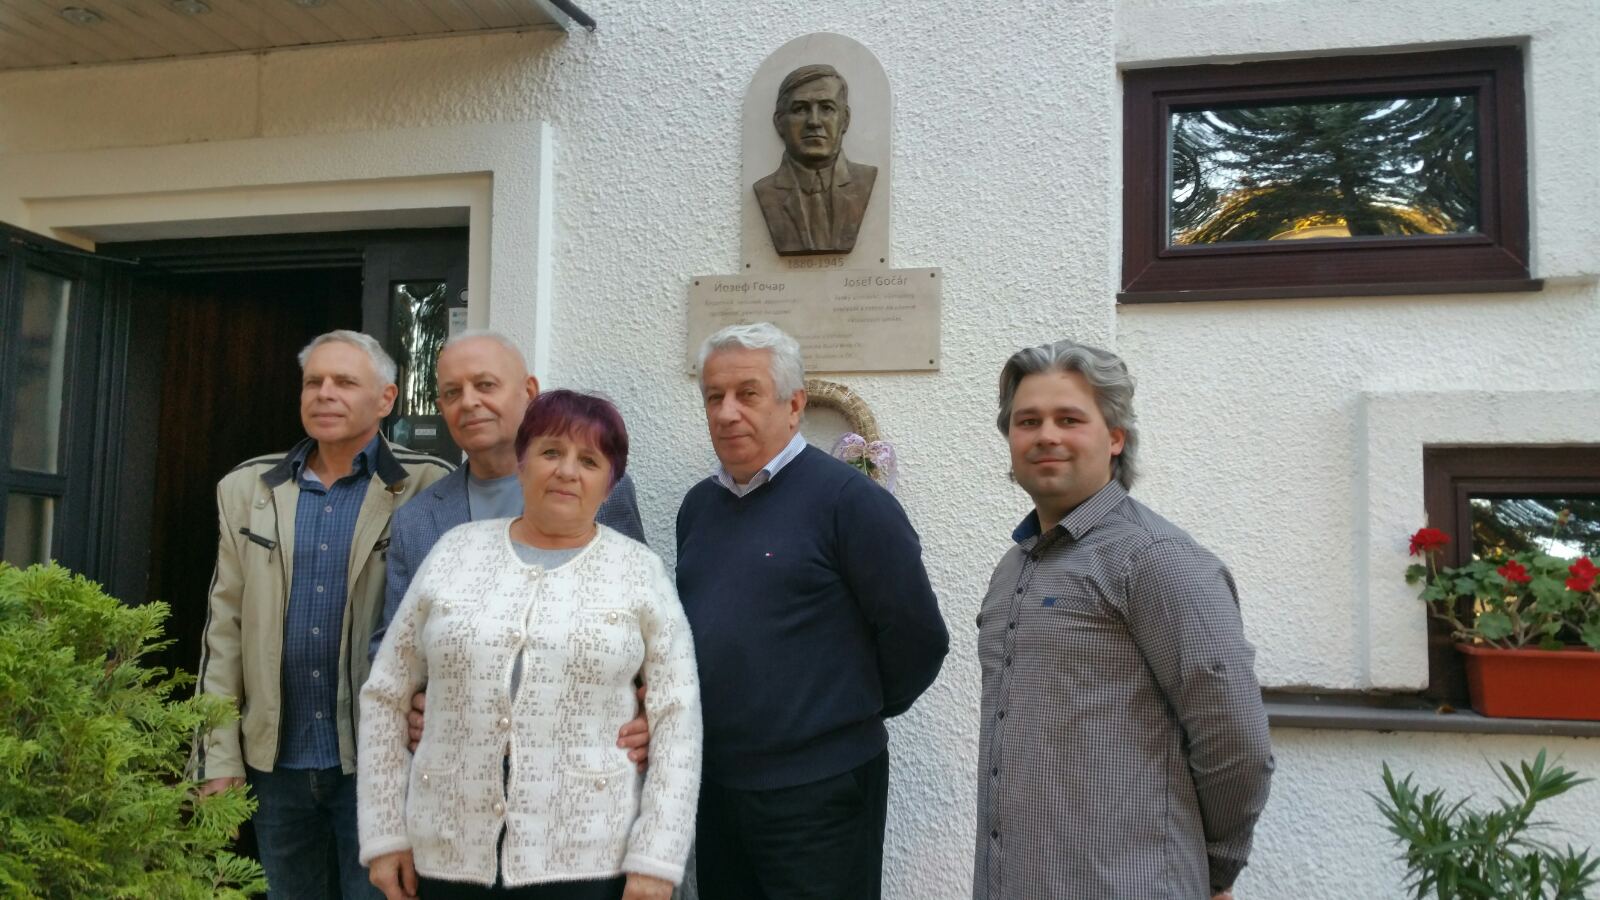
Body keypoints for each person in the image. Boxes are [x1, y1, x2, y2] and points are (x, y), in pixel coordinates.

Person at [360, 390, 701, 900]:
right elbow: (386, 694)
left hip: (590, 860)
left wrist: (657, 858)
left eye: (589, 461)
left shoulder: (638, 572)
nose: (567, 471)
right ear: (521, 463)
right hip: (446, 849)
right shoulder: (456, 552)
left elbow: (678, 717)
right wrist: (385, 833)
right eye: (550, 452)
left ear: (610, 483)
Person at [974, 339, 1275, 900]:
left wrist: (1215, 868)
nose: (1046, 436)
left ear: (1115, 437)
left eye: (1069, 419)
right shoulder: (1015, 566)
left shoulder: (1156, 559)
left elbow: (1236, 739)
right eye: (1027, 421)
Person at [677, 322, 948, 900]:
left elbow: (919, 638)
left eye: (747, 394)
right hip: (720, 789)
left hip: (820, 794)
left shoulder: (850, 502)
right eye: (714, 397)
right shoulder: (698, 508)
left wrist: (837, 715)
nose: (726, 412)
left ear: (794, 405)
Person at [195, 330, 452, 899]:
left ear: (385, 399)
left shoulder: (429, 485)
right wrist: (217, 755)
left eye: (344, 382)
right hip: (275, 762)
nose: (324, 394)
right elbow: (224, 630)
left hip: (383, 763)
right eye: (314, 382)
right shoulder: (247, 488)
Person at [378, 332, 652, 771]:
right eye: (452, 392)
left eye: (485, 385)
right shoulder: (418, 519)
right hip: (459, 765)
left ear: (528, 392)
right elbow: (394, 645)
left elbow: (644, 621)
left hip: (580, 759)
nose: (469, 402)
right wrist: (409, 706)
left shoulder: (600, 493)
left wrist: (648, 708)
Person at [753, 64, 878, 256]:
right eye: (800, 109)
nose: (814, 122)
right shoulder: (766, 190)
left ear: (845, 119)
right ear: (779, 123)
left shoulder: (865, 181)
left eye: (827, 108)